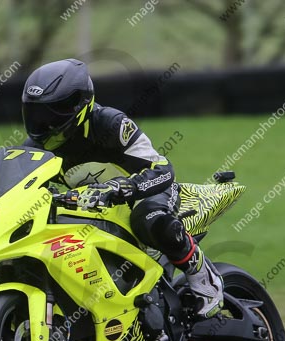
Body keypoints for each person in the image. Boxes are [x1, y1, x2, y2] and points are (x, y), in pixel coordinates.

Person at [20, 58, 223, 318]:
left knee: (150, 219)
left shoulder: (111, 124)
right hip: (93, 210)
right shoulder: (35, 148)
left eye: (53, 112)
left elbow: (163, 169)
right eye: (35, 114)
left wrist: (127, 187)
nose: (43, 123)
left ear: (79, 105)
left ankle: (203, 277)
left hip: (146, 193)